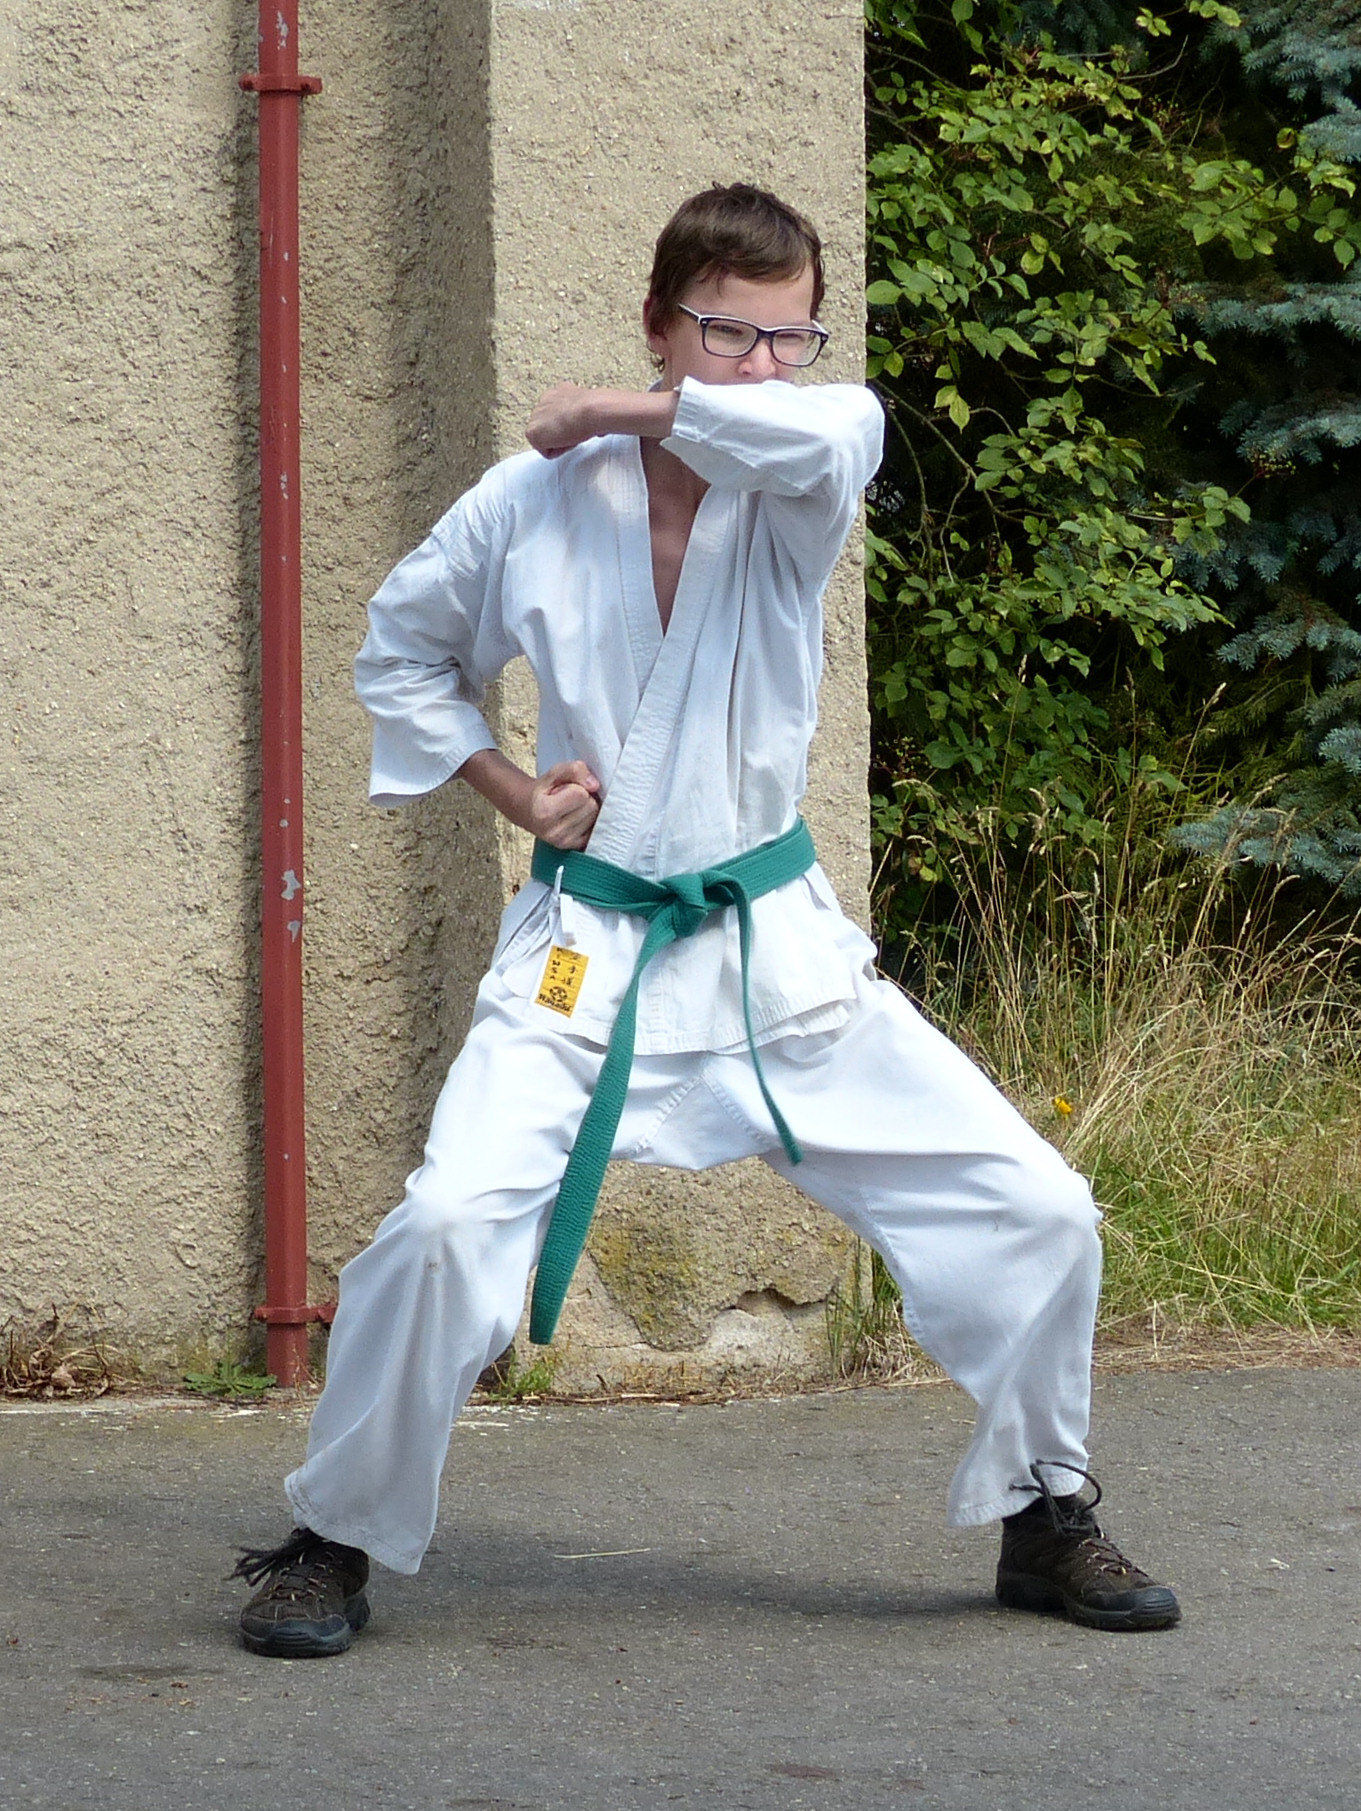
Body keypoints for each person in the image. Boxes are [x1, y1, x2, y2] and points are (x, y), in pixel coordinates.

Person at [232, 184, 1180, 1657]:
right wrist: (513, 791)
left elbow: (824, 426)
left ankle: (1044, 1509)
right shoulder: (529, 503)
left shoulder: (806, 467)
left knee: (1038, 1208)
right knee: (442, 1227)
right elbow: (403, 653)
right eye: (725, 332)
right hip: (587, 950)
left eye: (786, 336)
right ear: (659, 319)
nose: (760, 365)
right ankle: (331, 1536)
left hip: (773, 957)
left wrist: (611, 407)